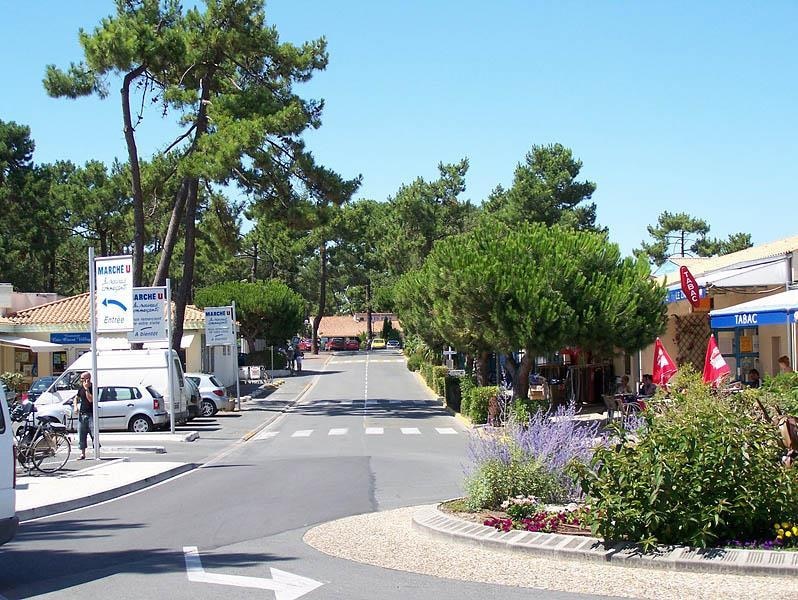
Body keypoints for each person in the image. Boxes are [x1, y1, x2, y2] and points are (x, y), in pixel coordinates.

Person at [73, 371, 95, 460]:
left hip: (91, 414)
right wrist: (75, 406)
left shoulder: (93, 387)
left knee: (93, 434)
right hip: (82, 414)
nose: (81, 380)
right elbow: (76, 398)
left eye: (82, 378)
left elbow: (91, 399)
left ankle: (96, 451)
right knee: (81, 434)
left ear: (88, 379)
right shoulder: (81, 388)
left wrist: (87, 389)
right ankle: (82, 453)